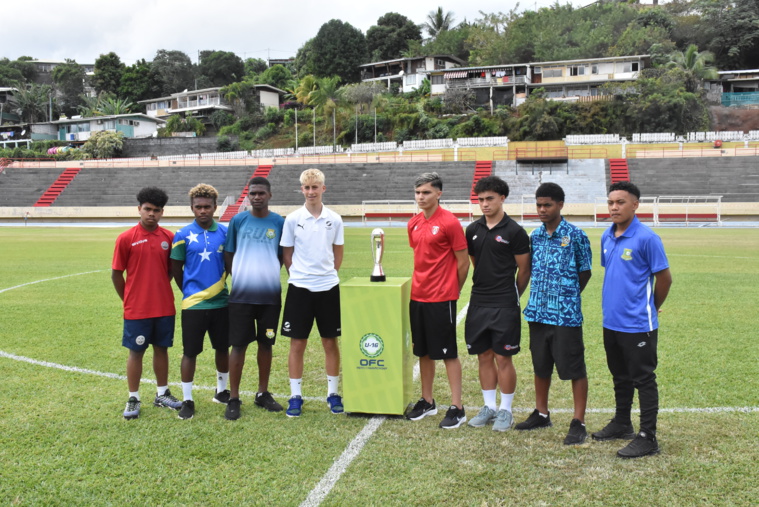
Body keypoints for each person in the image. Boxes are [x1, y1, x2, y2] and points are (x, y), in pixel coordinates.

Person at [592, 181, 672, 458]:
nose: (614, 207)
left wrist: (650, 306)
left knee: (643, 379)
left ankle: (648, 437)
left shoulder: (647, 238)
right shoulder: (606, 236)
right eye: (611, 202)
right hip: (611, 322)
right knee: (620, 376)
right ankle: (622, 423)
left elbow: (664, 278)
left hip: (638, 325)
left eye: (621, 202)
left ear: (635, 204)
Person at [518, 182, 592, 445]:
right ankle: (541, 412)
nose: (542, 209)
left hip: (566, 315)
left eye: (547, 204)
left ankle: (578, 421)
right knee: (540, 366)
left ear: (561, 204)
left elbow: (585, 272)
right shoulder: (534, 236)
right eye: (538, 205)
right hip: (537, 313)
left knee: (574, 367)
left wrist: (565, 297)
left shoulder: (576, 235)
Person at [464, 176, 530, 432]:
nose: (484, 204)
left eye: (489, 198)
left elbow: (524, 271)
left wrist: (511, 295)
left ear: (502, 198)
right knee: (483, 356)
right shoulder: (472, 230)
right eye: (480, 199)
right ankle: (489, 407)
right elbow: (476, 263)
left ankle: (506, 410)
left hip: (505, 303)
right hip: (479, 302)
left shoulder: (515, 231)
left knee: (503, 357)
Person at [407, 172, 470, 429]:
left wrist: (453, 289)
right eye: (418, 192)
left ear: (439, 194)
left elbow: (463, 261)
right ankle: (428, 400)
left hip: (442, 297)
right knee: (423, 351)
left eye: (426, 192)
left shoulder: (450, 222)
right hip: (417, 295)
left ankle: (458, 406)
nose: (421, 197)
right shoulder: (412, 223)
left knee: (447, 352)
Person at [112, 187, 181, 420]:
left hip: (164, 307)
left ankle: (162, 394)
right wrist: (129, 299)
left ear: (163, 212)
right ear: (139, 209)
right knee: (136, 351)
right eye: (147, 209)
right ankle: (133, 397)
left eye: (157, 210)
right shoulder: (126, 238)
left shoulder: (169, 238)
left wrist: (159, 285)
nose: (152, 214)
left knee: (162, 349)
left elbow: (171, 271)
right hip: (137, 310)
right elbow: (116, 274)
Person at [280, 168, 344, 418]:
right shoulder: (293, 219)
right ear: (301, 190)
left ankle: (333, 393)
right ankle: (296, 396)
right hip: (299, 289)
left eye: (315, 187)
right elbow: (287, 254)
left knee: (330, 341)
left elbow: (338, 253)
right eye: (306, 188)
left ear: (323, 188)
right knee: (298, 343)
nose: (310, 192)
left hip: (328, 287)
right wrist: (299, 275)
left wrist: (326, 275)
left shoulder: (335, 219)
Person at [223, 177, 285, 420]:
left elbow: (281, 254)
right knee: (238, 345)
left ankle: (262, 393)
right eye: (253, 193)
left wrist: (266, 272)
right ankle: (234, 397)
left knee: (266, 343)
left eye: (261, 193)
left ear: (269, 195)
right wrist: (239, 275)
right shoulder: (238, 220)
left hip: (269, 297)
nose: (256, 197)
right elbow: (229, 253)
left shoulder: (279, 222)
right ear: (248, 196)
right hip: (241, 297)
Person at [170, 183, 230, 420]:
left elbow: (230, 265)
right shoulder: (182, 234)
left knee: (223, 348)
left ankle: (222, 391)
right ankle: (187, 399)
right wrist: (189, 291)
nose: (203, 211)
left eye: (207, 206)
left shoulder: (225, 233)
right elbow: (176, 268)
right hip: (193, 305)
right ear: (192, 208)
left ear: (215, 207)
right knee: (190, 352)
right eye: (198, 207)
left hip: (221, 303)